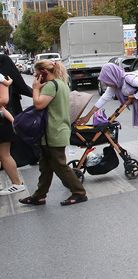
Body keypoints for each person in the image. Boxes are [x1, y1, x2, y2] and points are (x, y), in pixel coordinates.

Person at [77, 63, 138, 175]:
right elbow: (103, 99)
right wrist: (87, 117)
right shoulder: (115, 85)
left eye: (107, 80)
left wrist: (134, 96)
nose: (106, 83)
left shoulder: (129, 78)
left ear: (112, 76)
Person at [19, 60, 87, 206]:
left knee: (60, 165)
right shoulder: (61, 83)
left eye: (37, 73)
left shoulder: (51, 86)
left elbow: (38, 104)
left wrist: (35, 88)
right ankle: (39, 196)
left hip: (54, 132)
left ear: (44, 73)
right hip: (53, 132)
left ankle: (79, 192)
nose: (35, 76)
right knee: (45, 166)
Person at [0, 75, 25, 195]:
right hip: (3, 119)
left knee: (4, 154)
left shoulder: (1, 78)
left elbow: (4, 100)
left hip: (1, 122)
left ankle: (17, 184)